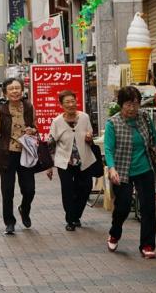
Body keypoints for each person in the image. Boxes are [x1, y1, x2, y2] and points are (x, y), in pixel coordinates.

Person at [104, 86, 156, 258]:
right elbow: (108, 149)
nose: (132, 108)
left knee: (148, 207)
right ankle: (115, 232)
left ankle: (147, 245)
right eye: (128, 104)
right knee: (123, 206)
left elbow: (154, 139)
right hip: (121, 169)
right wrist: (112, 168)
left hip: (144, 167)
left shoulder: (144, 118)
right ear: (121, 104)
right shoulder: (113, 123)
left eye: (136, 104)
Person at [0, 78, 37, 234]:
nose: (15, 91)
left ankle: (24, 209)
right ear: (5, 92)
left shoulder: (29, 107)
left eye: (18, 88)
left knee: (29, 189)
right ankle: (9, 222)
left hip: (26, 154)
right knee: (7, 190)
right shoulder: (2, 110)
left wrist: (33, 130)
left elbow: (35, 127)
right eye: (11, 89)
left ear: (22, 90)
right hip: (6, 154)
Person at [46, 90, 95, 231]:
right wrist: (49, 165)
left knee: (85, 188)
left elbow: (90, 134)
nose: (71, 104)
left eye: (73, 101)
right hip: (64, 162)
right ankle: (70, 220)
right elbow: (51, 143)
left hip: (84, 160)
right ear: (61, 105)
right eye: (67, 102)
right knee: (67, 190)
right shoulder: (57, 122)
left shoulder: (84, 117)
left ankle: (76, 215)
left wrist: (89, 137)